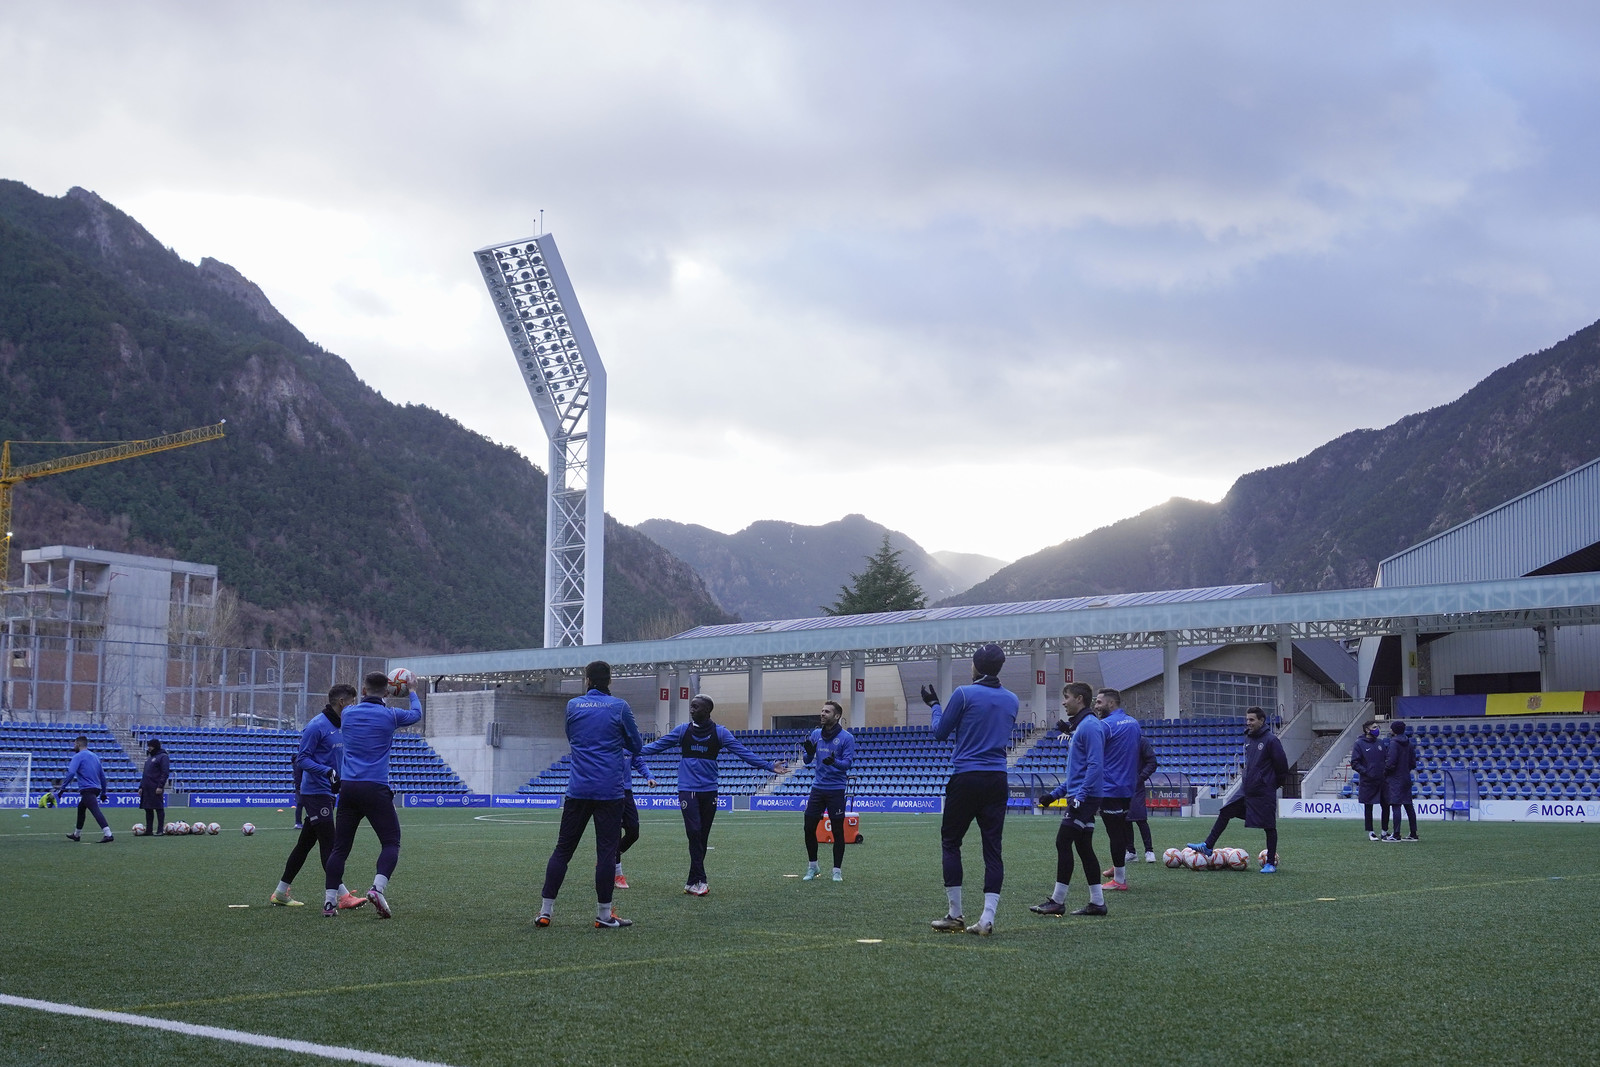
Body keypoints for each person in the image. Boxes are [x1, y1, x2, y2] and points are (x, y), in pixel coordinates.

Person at [641, 693, 784, 897]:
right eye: (691, 706)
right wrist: (629, 747)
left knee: (702, 836)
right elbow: (656, 747)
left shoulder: (720, 733)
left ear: (707, 711)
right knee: (694, 832)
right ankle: (702, 880)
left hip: (710, 790)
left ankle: (692, 881)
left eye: (696, 707)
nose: (691, 710)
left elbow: (743, 753)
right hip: (687, 788)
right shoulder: (682, 730)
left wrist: (769, 766)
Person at [921, 643, 1019, 936]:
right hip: (998, 778)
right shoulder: (1012, 699)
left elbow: (940, 733)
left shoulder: (964, 693)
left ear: (975, 666)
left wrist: (935, 705)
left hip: (967, 775)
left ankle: (955, 914)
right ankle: (987, 918)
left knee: (951, 842)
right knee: (993, 849)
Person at [538, 660, 645, 928]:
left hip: (578, 788)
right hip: (609, 790)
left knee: (563, 850)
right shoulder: (619, 707)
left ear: (586, 680)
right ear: (610, 680)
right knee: (607, 852)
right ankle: (604, 916)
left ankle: (545, 911)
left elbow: (571, 736)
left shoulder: (573, 706)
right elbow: (636, 745)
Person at [322, 671, 422, 918]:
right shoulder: (391, 716)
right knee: (391, 842)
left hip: (349, 788)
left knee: (339, 849)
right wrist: (411, 690)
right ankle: (377, 888)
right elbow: (417, 714)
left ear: (363, 691)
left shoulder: (347, 714)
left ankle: (329, 902)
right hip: (375, 787)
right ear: (387, 693)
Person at [269, 684, 366, 910]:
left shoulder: (344, 724)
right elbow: (301, 759)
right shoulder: (316, 726)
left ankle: (281, 892)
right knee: (329, 844)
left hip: (329, 793)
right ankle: (342, 895)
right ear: (342, 702)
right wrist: (326, 771)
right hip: (314, 793)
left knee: (304, 845)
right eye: (352, 702)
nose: (354, 707)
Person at [1030, 682, 1108, 917]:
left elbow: (1096, 766)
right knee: (1084, 848)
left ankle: (1057, 900)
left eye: (1067, 697)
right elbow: (1078, 773)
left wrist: (1080, 796)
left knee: (1063, 842)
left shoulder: (1090, 727)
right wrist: (1053, 796)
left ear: (1080, 699)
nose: (1064, 702)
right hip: (1082, 795)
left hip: (1085, 797)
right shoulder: (1083, 727)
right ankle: (1097, 903)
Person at [1188, 707, 1289, 872]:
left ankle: (1270, 863)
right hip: (1246, 789)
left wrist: (1270, 784)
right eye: (1247, 719)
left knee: (1269, 826)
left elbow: (1282, 768)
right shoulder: (1248, 738)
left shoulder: (1271, 740)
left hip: (1263, 791)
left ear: (1261, 721)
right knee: (1225, 811)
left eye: (1252, 720)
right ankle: (1208, 846)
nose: (1248, 723)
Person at [801, 699, 855, 883]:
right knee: (808, 828)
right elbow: (808, 760)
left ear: (837, 716)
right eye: (822, 711)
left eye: (827, 712)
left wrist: (835, 762)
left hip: (836, 790)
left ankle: (837, 871)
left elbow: (847, 764)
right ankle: (812, 866)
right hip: (818, 788)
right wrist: (808, 752)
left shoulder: (847, 738)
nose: (822, 714)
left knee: (838, 831)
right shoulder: (816, 734)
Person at [1094, 688, 1143, 891]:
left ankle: (1120, 881)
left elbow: (1090, 748)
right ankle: (1117, 868)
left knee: (1114, 833)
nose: (1096, 706)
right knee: (1120, 830)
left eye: (1098, 702)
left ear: (1111, 703)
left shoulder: (1106, 725)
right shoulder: (1134, 723)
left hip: (1110, 787)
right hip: (1127, 786)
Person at [56, 735, 113, 843]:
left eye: (74, 744)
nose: (73, 746)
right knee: (81, 808)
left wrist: (62, 788)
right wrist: (103, 792)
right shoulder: (95, 756)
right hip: (96, 788)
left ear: (78, 744)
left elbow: (71, 772)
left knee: (95, 810)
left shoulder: (78, 756)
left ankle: (108, 834)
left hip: (87, 789)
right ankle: (77, 834)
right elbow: (102, 776)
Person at [613, 751, 657, 890]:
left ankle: (608, 858)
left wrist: (649, 776)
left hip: (626, 792)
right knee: (615, 833)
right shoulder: (608, 738)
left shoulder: (629, 742)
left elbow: (638, 762)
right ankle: (617, 874)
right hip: (610, 791)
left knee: (633, 832)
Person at [1350, 720, 1390, 841]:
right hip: (1368, 780)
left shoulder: (1381, 743)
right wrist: (1367, 772)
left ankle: (1384, 831)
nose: (1377, 729)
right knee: (1369, 807)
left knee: (1386, 805)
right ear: (1367, 729)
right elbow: (1354, 763)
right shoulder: (1359, 744)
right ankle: (1371, 832)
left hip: (1382, 780)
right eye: (1374, 727)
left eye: (1377, 727)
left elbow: (1386, 758)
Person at [1384, 720, 1419, 842]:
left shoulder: (1394, 743)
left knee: (1396, 805)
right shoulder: (1409, 743)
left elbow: (1391, 762)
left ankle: (1396, 834)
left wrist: (1386, 772)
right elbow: (1413, 763)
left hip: (1395, 778)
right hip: (1406, 776)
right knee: (1409, 805)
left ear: (1394, 730)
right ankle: (1413, 833)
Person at [1127, 732, 1160, 863]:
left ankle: (1149, 851)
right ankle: (1130, 852)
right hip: (1121, 784)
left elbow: (1152, 762)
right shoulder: (1119, 740)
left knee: (1141, 818)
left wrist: (1140, 777)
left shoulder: (1141, 741)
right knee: (1125, 819)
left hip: (1136, 785)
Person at [139, 738, 170, 837]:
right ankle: (149, 830)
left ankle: (160, 830)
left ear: (155, 746)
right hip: (146, 787)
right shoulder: (149, 759)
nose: (149, 748)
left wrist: (160, 786)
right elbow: (145, 774)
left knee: (158, 808)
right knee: (148, 808)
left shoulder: (163, 757)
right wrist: (141, 786)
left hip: (155, 787)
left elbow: (165, 772)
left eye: (150, 746)